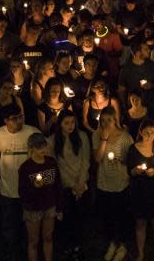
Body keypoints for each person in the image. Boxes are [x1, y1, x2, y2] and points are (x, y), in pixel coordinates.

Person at [0, 103, 40, 261]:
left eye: (20, 117)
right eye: (14, 119)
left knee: (29, 222)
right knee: (9, 223)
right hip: (8, 188)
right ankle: (11, 252)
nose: (19, 121)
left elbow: (43, 152)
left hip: (29, 188)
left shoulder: (32, 132)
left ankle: (29, 250)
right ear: (6, 120)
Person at [47, 109, 89, 261]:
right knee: (67, 218)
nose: (70, 126)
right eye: (66, 123)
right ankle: (67, 247)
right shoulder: (52, 141)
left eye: (72, 122)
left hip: (81, 185)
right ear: (60, 124)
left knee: (80, 217)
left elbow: (85, 160)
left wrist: (81, 182)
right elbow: (56, 166)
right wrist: (72, 185)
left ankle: (78, 246)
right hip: (64, 186)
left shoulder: (82, 137)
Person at [92, 105, 132, 261]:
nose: (106, 123)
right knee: (107, 215)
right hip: (104, 181)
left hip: (121, 182)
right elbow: (97, 158)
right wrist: (104, 139)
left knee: (121, 214)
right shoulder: (96, 135)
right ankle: (112, 243)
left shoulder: (125, 137)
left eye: (109, 120)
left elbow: (131, 159)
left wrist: (121, 160)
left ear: (115, 120)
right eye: (103, 120)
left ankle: (122, 244)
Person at [126, 119, 154, 261]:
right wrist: (136, 170)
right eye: (146, 132)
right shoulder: (133, 149)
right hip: (140, 190)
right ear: (140, 132)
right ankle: (141, 253)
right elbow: (130, 171)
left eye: (152, 132)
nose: (150, 135)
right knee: (141, 223)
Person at [18, 132, 63, 261]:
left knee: (48, 238)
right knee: (33, 241)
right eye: (39, 147)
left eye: (44, 146)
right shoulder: (25, 168)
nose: (43, 149)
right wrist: (35, 187)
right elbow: (22, 192)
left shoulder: (51, 163)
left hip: (49, 206)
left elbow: (58, 186)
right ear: (31, 148)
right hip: (33, 209)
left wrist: (59, 207)